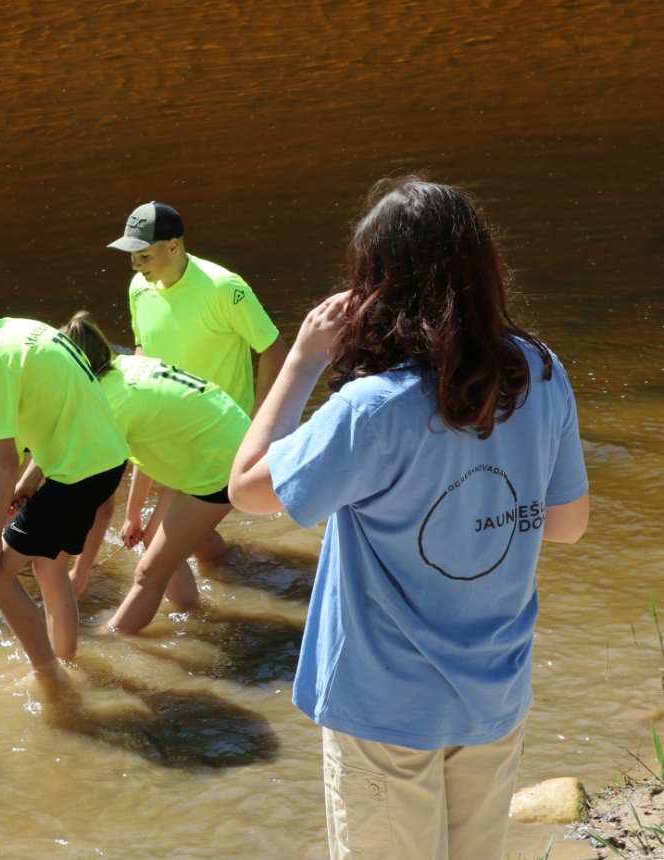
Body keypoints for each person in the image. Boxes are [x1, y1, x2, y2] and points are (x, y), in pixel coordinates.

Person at [229, 178, 589, 860]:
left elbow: (246, 487)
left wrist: (303, 359)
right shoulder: (542, 373)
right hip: (494, 692)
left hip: (384, 705)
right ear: (485, 273)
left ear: (377, 289)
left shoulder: (372, 409)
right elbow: (569, 524)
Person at [0, 266, 130, 677]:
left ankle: (47, 676)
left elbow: (3, 459)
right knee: (49, 568)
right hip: (108, 460)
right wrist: (33, 480)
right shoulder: (26, 328)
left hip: (77, 473)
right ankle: (66, 662)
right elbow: (57, 416)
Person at [108, 202, 288, 559]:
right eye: (131, 256)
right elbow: (143, 364)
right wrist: (133, 505)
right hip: (171, 432)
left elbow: (275, 350)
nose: (134, 265)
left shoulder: (223, 288)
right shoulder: (138, 289)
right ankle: (237, 575)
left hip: (216, 438)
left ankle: (202, 605)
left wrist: (257, 424)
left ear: (173, 246)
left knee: (158, 542)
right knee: (192, 542)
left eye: (143, 256)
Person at [60, 312, 250, 631]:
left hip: (220, 462)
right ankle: (228, 570)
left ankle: (116, 642)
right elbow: (144, 450)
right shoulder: (123, 367)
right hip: (226, 440)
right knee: (155, 536)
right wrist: (133, 515)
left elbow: (98, 497)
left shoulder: (109, 404)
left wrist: (81, 571)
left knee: (148, 573)